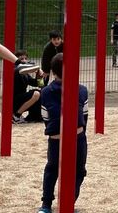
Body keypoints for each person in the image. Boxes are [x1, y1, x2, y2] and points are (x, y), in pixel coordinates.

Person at [38, 52, 88, 213]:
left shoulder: (45, 92)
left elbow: (45, 116)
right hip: (77, 136)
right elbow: (85, 115)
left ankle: (46, 204)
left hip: (55, 138)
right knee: (79, 170)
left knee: (52, 170)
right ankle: (69, 201)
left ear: (53, 71)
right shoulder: (81, 90)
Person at [13, 51, 43, 123]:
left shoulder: (25, 74)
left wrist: (39, 76)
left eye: (25, 59)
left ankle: (34, 116)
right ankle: (16, 115)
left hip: (21, 98)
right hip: (13, 100)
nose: (24, 61)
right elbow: (18, 70)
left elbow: (39, 84)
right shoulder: (14, 70)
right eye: (21, 59)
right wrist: (34, 67)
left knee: (40, 92)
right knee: (36, 94)